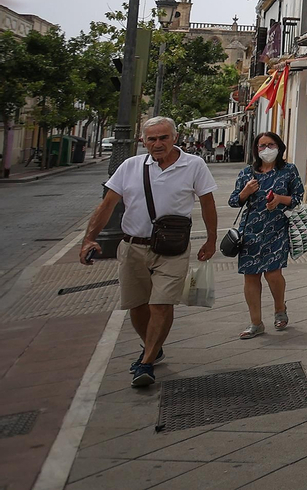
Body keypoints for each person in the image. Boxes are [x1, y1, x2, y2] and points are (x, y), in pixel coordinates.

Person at [78, 116, 217, 388]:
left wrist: (211, 240)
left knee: (161, 304)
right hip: (132, 247)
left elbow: (208, 204)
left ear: (174, 138)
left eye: (163, 137)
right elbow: (107, 206)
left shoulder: (194, 165)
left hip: (172, 248)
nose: (157, 144)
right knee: (138, 305)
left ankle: (146, 362)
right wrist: (89, 239)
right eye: (151, 139)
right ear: (143, 141)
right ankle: (153, 345)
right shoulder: (130, 167)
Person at [231, 132, 304, 338]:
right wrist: (245, 192)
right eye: (261, 146)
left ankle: (280, 309)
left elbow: (298, 198)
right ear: (256, 149)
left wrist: (280, 199)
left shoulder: (288, 170)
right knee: (251, 276)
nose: (266, 149)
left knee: (273, 273)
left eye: (270, 145)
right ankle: (256, 323)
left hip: (277, 228)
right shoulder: (247, 173)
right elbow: (234, 201)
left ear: (279, 147)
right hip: (250, 231)